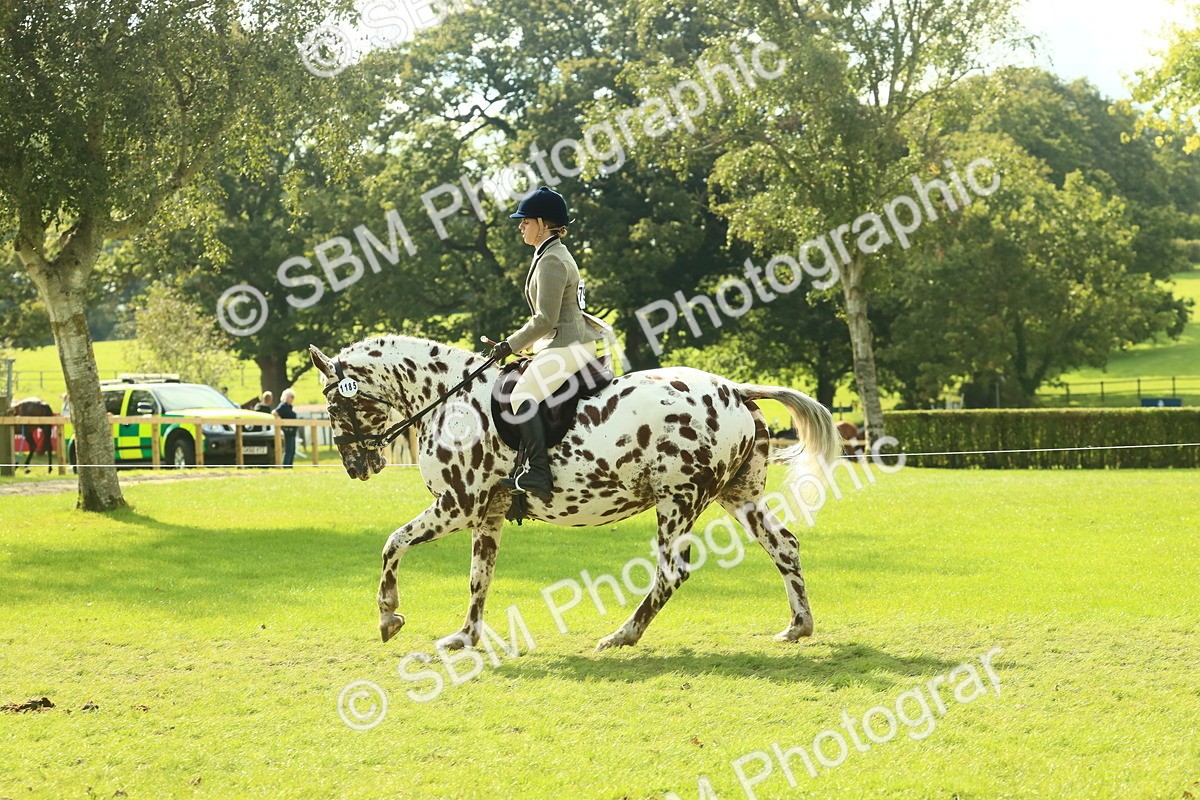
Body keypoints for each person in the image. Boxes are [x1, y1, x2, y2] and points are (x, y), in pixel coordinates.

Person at [492, 186, 608, 501]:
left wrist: (510, 344)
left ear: (543, 223)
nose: (520, 226)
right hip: (564, 343)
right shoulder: (549, 253)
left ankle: (539, 472)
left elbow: (545, 318)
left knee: (521, 395)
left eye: (525, 221)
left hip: (570, 346)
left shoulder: (552, 261)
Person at [272, 389, 298, 468]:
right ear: (286, 397)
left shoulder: (289, 407)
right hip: (287, 432)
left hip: (292, 432)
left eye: (293, 397)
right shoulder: (283, 406)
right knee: (288, 450)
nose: (292, 399)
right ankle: (286, 466)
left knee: (292, 451)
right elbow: (274, 412)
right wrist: (280, 421)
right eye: (291, 397)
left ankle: (290, 466)